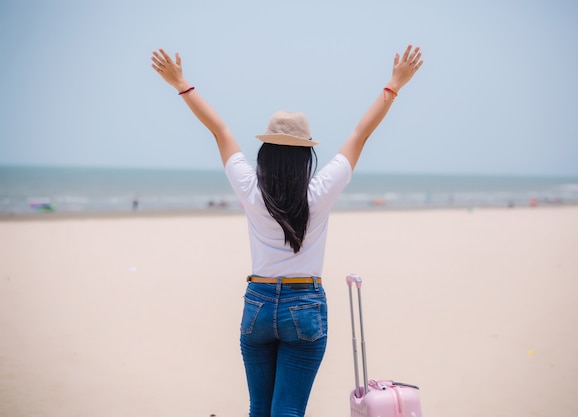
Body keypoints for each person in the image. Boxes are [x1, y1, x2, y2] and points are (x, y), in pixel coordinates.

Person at [151, 44, 423, 417]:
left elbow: (220, 129)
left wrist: (180, 83)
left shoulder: (250, 188)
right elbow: (360, 134)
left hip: (258, 303)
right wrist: (394, 85)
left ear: (265, 153)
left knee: (259, 409)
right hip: (304, 305)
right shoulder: (319, 192)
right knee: (288, 411)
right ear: (305, 155)